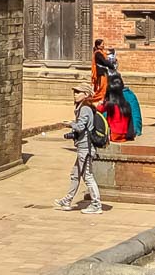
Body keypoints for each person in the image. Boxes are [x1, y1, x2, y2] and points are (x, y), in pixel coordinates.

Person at [55, 83, 104, 214]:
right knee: (75, 174)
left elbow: (81, 127)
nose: (75, 95)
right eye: (75, 92)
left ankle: (96, 205)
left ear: (86, 95)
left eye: (78, 92)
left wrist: (70, 124)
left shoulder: (85, 108)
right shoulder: (83, 107)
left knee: (87, 176)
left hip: (86, 148)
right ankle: (67, 200)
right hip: (83, 147)